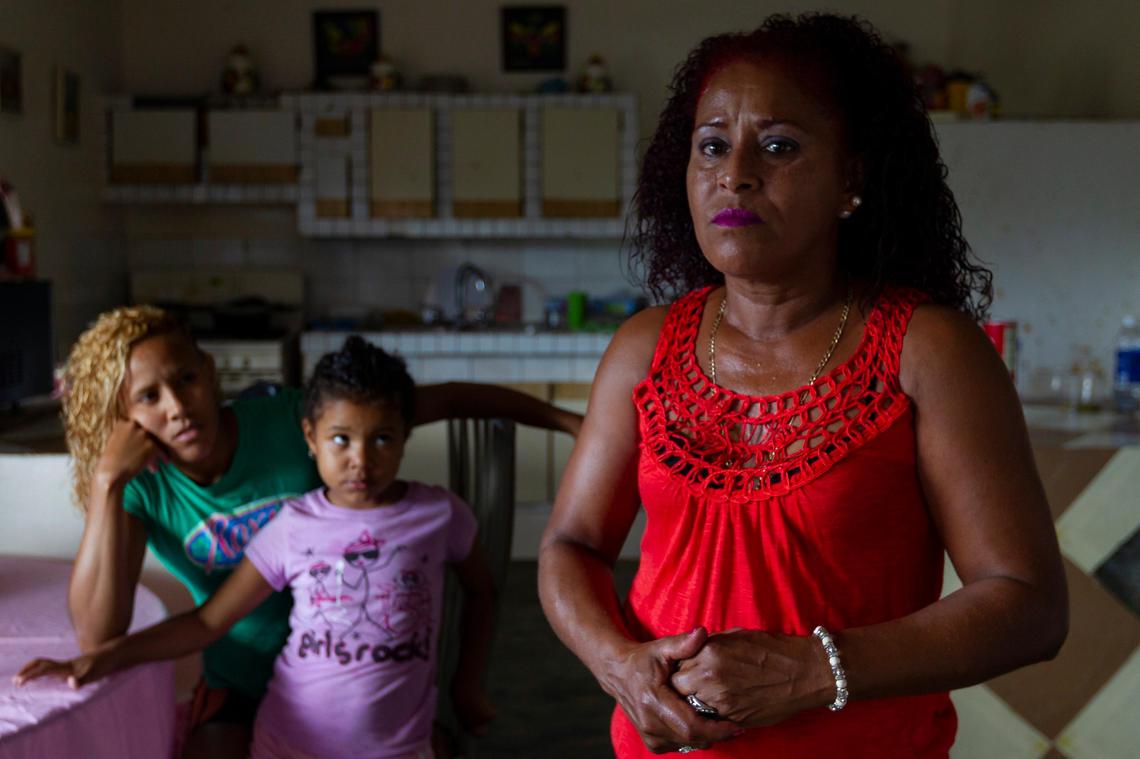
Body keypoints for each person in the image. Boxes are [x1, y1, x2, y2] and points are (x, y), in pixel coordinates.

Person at [537, 13, 1067, 758]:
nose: (735, 173)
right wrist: (616, 664)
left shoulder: (928, 350)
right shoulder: (644, 348)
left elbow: (1029, 604)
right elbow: (571, 544)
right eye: (712, 145)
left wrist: (816, 669)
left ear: (852, 177)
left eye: (779, 146)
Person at [57, 305, 580, 757]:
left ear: (209, 371)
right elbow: (101, 635)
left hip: (377, 686)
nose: (176, 406)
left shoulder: (298, 420)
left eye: (185, 380)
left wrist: (570, 422)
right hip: (243, 684)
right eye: (148, 397)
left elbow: (449, 401)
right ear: (124, 416)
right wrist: (106, 482)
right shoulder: (142, 489)